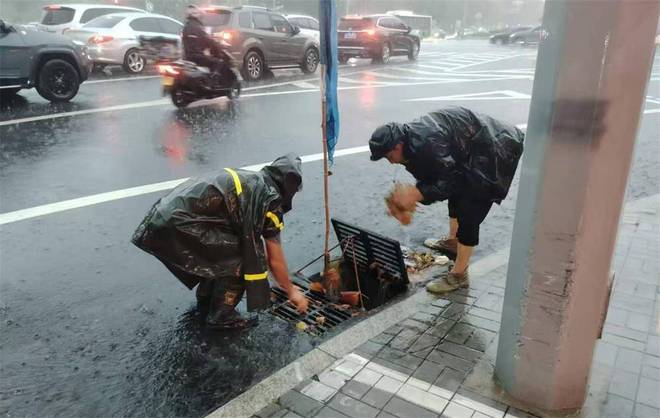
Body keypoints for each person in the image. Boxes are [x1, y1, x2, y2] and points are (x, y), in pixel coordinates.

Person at [132, 154, 309, 329]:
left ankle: (207, 297)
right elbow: (275, 259)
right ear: (289, 188)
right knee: (245, 257)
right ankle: (222, 314)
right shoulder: (270, 201)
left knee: (225, 248)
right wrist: (291, 291)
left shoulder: (254, 181)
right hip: (182, 222)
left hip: (164, 215)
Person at [369, 107, 524, 294]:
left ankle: (459, 276)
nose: (391, 162)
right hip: (471, 147)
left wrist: (417, 194)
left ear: (397, 146)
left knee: (470, 205)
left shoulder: (428, 143)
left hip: (496, 147)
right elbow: (437, 179)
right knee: (458, 194)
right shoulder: (410, 148)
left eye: (388, 156)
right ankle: (453, 242)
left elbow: (451, 182)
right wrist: (414, 197)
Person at [182, 5, 232, 84]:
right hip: (197, 56)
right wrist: (216, 45)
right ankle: (213, 82)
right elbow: (208, 40)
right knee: (218, 62)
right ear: (198, 16)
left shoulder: (186, 27)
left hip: (187, 57)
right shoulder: (198, 27)